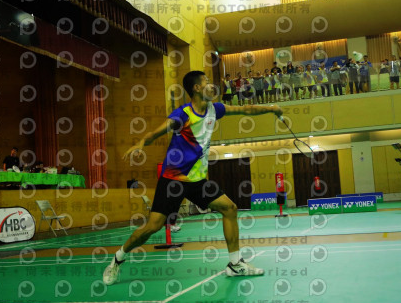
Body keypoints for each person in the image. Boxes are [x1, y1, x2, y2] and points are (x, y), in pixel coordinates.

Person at [103, 71, 283, 285]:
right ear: (197, 88)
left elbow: (246, 109)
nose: (211, 85)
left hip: (197, 182)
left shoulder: (215, 109)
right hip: (173, 180)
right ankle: (117, 259)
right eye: (206, 82)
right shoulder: (183, 115)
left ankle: (235, 264)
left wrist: (271, 108)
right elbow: (157, 132)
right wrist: (142, 142)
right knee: (153, 226)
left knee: (229, 208)